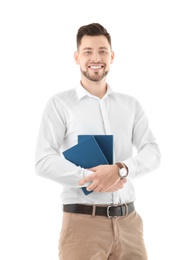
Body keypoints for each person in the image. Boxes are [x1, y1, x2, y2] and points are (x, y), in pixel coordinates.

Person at [35, 22, 161, 260]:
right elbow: (43, 160)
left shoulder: (130, 104)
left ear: (112, 56)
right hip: (83, 225)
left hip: (129, 225)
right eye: (88, 51)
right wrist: (94, 178)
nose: (96, 58)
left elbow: (152, 151)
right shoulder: (60, 104)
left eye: (103, 51)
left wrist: (120, 170)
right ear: (76, 57)